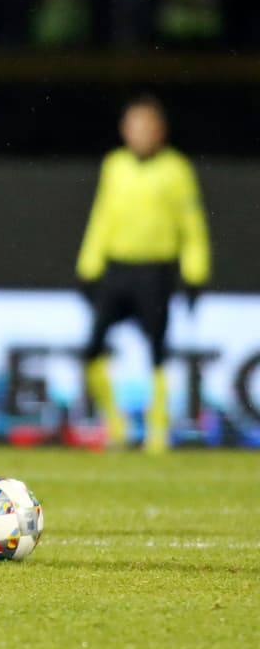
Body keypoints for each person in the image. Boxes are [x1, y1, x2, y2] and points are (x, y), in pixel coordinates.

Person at [76, 92, 211, 454]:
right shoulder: (114, 165)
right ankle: (115, 424)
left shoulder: (176, 170)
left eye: (147, 126)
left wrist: (195, 272)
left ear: (160, 131)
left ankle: (157, 430)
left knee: (157, 351)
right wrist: (88, 265)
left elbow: (191, 224)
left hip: (156, 271)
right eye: (134, 126)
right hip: (117, 268)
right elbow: (102, 216)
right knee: (92, 350)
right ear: (124, 130)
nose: (140, 133)